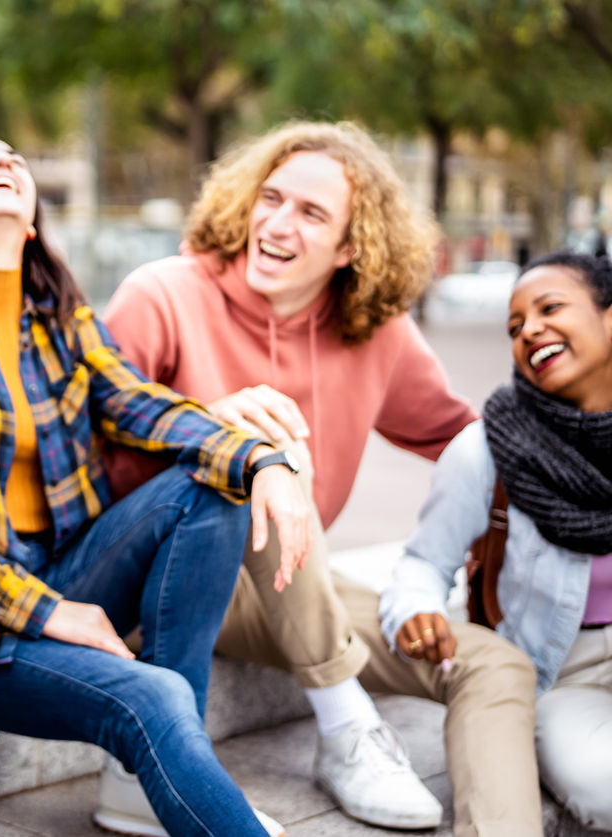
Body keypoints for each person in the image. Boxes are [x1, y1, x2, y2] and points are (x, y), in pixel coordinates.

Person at [104, 121, 540, 835]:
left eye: (311, 213)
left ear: (351, 246)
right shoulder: (161, 294)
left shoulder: (374, 329)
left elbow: (465, 440)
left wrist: (504, 522)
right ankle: (346, 727)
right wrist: (211, 430)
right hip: (162, 581)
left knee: (495, 665)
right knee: (262, 446)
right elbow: (89, 454)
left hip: (289, 580)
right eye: (270, 198)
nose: (276, 223)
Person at [0, 135, 314, 837]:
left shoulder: (61, 318)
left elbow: (143, 404)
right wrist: (48, 610)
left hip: (69, 572)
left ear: (31, 219)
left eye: (16, 162)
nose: (6, 162)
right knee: (152, 698)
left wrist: (261, 461)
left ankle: (159, 763)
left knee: (212, 489)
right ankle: (166, 749)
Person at [382, 251, 612, 832]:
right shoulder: (487, 449)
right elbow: (421, 567)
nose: (529, 329)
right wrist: (416, 611)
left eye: (550, 308)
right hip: (562, 674)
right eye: (515, 326)